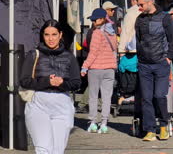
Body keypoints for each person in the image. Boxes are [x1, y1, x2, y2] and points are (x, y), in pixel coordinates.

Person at [20, 20, 81, 154]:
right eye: (47, 34)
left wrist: (62, 83)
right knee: (43, 148)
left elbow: (77, 83)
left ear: (60, 35)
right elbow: (24, 81)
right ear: (42, 35)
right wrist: (47, 81)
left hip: (62, 105)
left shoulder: (69, 57)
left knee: (57, 150)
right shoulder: (33, 54)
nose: (50, 38)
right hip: (38, 104)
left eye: (54, 34)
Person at [135, 0, 173, 141]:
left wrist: (169, 58)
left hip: (161, 63)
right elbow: (138, 39)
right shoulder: (140, 19)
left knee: (159, 96)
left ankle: (164, 124)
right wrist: (140, 58)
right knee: (146, 98)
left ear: (149, 2)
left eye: (141, 4)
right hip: (144, 64)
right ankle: (150, 130)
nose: (138, 7)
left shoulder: (165, 18)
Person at [81, 8, 118, 134]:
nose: (93, 22)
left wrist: (85, 66)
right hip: (110, 69)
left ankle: (92, 123)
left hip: (96, 69)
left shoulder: (97, 33)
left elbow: (93, 52)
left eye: (94, 19)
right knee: (107, 98)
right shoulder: (112, 33)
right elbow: (115, 50)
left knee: (93, 97)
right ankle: (104, 124)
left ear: (102, 19)